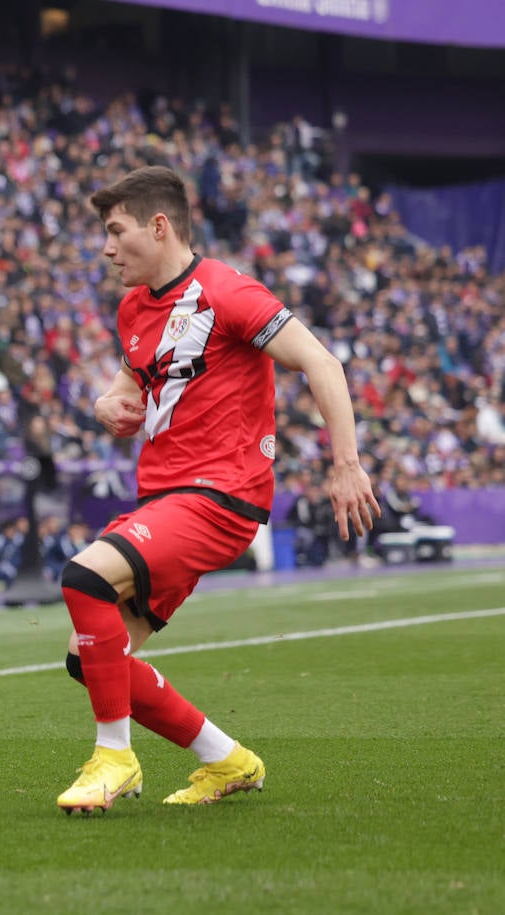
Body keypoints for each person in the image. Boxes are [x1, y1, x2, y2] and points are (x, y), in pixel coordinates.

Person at [53, 166, 381, 815]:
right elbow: (132, 384)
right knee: (90, 657)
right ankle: (226, 759)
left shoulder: (227, 292)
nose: (106, 247)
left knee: (84, 577)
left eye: (115, 231)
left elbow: (321, 360)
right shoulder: (133, 309)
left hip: (221, 496)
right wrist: (108, 403)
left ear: (159, 225)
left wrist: (346, 463)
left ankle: (113, 757)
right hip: (166, 502)